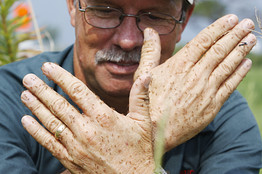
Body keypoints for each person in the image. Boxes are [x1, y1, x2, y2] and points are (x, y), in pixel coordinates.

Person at [0, 0, 261, 173]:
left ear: (183, 20)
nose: (127, 40)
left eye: (155, 16)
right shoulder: (9, 96)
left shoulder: (221, 115)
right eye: (105, 10)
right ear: (72, 6)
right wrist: (149, 138)